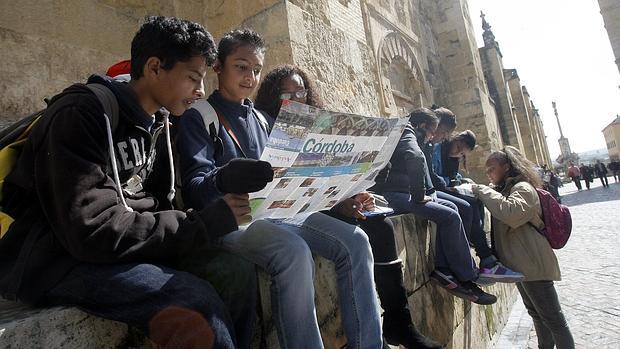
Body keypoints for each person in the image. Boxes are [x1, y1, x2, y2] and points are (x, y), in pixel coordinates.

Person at [0, 17, 275, 349]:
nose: (201, 92)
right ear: (155, 67)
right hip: (59, 260)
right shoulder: (80, 114)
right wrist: (202, 225)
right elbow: (91, 230)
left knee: (233, 271)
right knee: (192, 301)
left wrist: (221, 184)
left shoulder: (159, 121)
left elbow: (159, 204)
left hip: (123, 248)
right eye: (193, 78)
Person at [175, 31, 383, 349]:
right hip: (235, 220)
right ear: (218, 67)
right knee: (293, 251)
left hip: (281, 213)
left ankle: (369, 343)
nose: (250, 77)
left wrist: (342, 196)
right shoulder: (199, 117)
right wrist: (225, 178)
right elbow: (194, 188)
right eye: (241, 67)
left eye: (256, 70)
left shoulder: (263, 119)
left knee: (356, 241)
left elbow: (295, 181)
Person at [255, 64, 442, 349]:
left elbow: (330, 176)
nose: (296, 98)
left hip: (325, 204)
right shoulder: (264, 125)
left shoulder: (318, 124)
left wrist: (353, 195)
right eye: (286, 93)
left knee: (381, 225)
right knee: (361, 236)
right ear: (272, 96)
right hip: (292, 212)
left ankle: (398, 322)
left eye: (301, 91)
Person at [371, 108, 497, 305]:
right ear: (422, 126)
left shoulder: (410, 133)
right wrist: (420, 195)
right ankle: (467, 275)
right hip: (394, 195)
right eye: (432, 131)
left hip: (402, 192)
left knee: (454, 209)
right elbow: (415, 158)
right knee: (450, 216)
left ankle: (445, 269)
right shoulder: (407, 130)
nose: (433, 137)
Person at [471, 146, 575, 349]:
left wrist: (481, 189)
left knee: (554, 320)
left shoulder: (523, 188)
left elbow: (511, 213)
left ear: (507, 167)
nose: (489, 173)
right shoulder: (507, 190)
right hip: (522, 264)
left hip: (532, 263)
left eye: (492, 168)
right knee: (536, 313)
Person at [428, 110, 523, 283]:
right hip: (435, 188)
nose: (457, 154)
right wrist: (449, 185)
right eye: (457, 149)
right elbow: (431, 173)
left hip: (443, 187)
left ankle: (485, 255)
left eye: (462, 154)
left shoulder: (451, 157)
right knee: (466, 206)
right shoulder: (435, 146)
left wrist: (457, 184)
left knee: (474, 200)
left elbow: (450, 176)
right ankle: (483, 257)